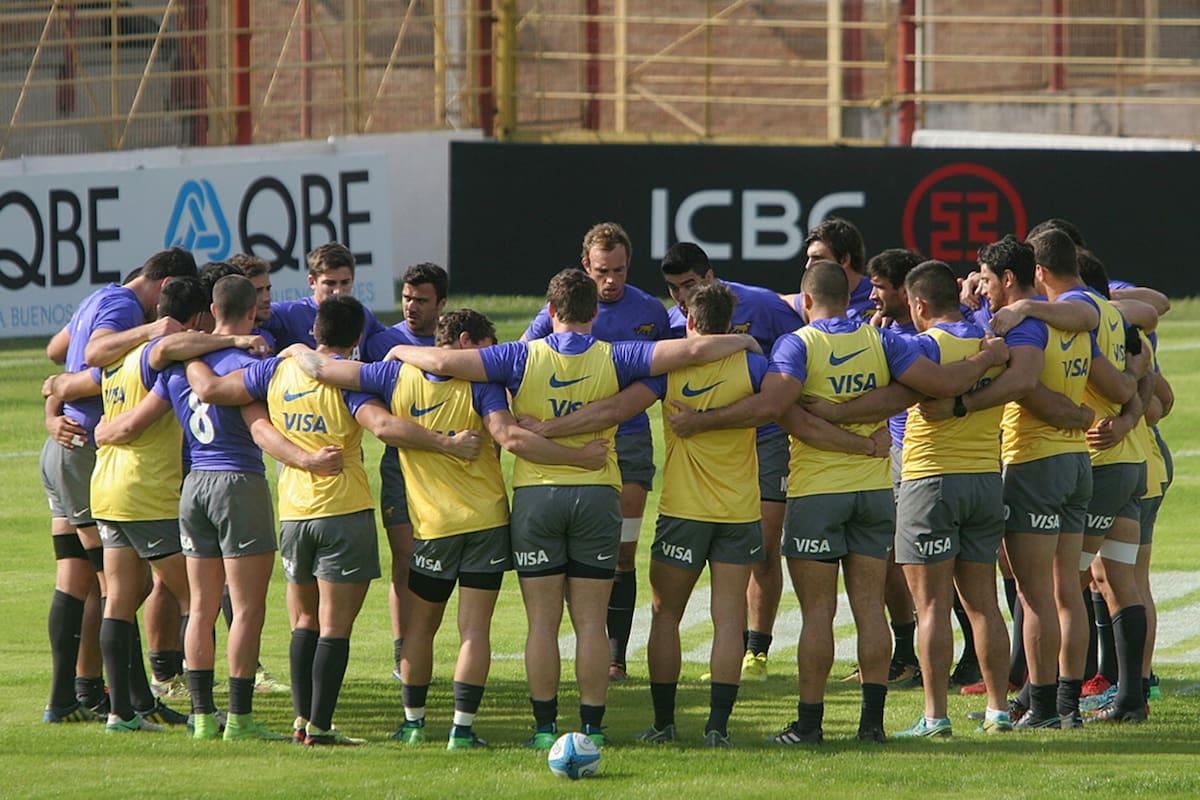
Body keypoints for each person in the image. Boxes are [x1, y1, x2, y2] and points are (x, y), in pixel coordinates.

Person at [384, 267, 761, 748]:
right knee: (589, 621)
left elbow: (447, 361)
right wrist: (743, 345)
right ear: (594, 313)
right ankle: (592, 728)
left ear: (552, 311)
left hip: (537, 497)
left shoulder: (518, 356)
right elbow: (690, 349)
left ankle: (544, 730)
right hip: (598, 493)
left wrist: (398, 349)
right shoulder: (618, 355)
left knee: (543, 622)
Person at [667, 261, 1007, 744]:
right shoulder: (883, 341)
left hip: (817, 493)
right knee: (870, 608)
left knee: (818, 614)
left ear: (806, 302)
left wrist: (703, 422)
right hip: (871, 493)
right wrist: (983, 359)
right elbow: (931, 387)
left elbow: (773, 407)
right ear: (844, 298)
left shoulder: (797, 345)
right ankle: (871, 725)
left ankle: (810, 725)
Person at [289, 307, 608, 749]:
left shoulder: (390, 377)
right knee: (474, 630)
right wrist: (577, 455)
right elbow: (510, 438)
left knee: (420, 630)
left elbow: (323, 370)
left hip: (432, 526)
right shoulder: (484, 385)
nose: (488, 357)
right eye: (484, 348)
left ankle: (415, 724)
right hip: (487, 523)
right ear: (463, 341)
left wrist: (294, 349)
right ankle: (461, 730)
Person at [185, 294, 481, 746]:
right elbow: (383, 428)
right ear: (358, 338)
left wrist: (192, 350)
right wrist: (446, 443)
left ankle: (301, 721)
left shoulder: (276, 370)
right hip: (343, 511)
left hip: (293, 514)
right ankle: (321, 727)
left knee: (304, 620)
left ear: (314, 333)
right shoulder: (350, 381)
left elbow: (221, 396)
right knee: (334, 626)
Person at [101, 274, 337, 739]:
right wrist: (306, 459)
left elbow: (139, 415)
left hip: (194, 486)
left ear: (212, 308)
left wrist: (104, 431)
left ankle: (204, 717)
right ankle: (241, 718)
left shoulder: (180, 363)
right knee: (246, 609)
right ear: (252, 313)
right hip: (238, 483)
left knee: (202, 606)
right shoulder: (247, 361)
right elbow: (261, 432)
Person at [40, 246, 196, 723]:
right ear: (166, 285)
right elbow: (95, 353)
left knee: (80, 577)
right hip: (87, 448)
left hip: (66, 445)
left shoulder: (99, 297)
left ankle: (75, 697)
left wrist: (60, 393)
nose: (159, 316)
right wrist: (151, 333)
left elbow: (56, 352)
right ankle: (127, 704)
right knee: (119, 586)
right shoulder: (128, 308)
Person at [521, 223, 671, 683]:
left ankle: (614, 656)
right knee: (567, 557)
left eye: (619, 270)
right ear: (586, 265)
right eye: (602, 271)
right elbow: (524, 359)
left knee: (621, 554)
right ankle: (571, 644)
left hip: (627, 441)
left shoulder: (649, 311)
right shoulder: (560, 310)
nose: (611, 280)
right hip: (564, 445)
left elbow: (663, 370)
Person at [959, 234, 1097, 728]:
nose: (985, 288)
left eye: (989, 280)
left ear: (1009, 279)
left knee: (1034, 594)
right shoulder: (1069, 315)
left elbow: (1021, 384)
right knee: (1066, 593)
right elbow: (1092, 323)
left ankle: (1041, 708)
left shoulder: (1026, 326)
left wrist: (965, 403)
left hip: (1035, 461)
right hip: (1076, 463)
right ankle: (1067, 705)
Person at [660, 242, 801, 683]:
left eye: (688, 285)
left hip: (768, 438)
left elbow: (799, 350)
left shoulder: (761, 303)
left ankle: (756, 651)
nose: (681, 296)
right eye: (672, 288)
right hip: (708, 453)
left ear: (710, 275)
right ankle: (734, 644)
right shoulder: (671, 321)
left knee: (763, 545)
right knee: (728, 547)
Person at [883, 262, 1012, 736]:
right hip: (983, 478)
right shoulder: (986, 340)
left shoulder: (920, 347)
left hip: (930, 481)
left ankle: (935, 715)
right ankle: (999, 710)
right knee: (984, 604)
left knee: (932, 607)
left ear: (917, 305)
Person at [87, 276, 207, 733]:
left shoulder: (115, 356)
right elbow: (166, 350)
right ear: (194, 319)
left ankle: (120, 713)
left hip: (108, 487)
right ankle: (203, 708)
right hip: (147, 493)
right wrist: (235, 337)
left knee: (118, 599)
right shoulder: (155, 355)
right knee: (197, 597)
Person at [360, 262, 450, 681]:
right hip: (400, 463)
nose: (412, 307)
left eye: (422, 300)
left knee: (442, 562)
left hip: (448, 468)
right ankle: (404, 653)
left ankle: (424, 644)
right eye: (407, 298)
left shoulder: (454, 341)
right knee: (405, 560)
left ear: (442, 304)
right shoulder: (382, 341)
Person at [259, 242, 387, 354]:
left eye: (345, 282)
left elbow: (394, 339)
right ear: (312, 282)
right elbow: (245, 319)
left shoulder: (362, 315)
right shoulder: (290, 314)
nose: (338, 291)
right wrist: (241, 340)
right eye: (330, 283)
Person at [780, 217, 873, 323]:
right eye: (809, 258)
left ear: (844, 260)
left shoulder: (879, 297)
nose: (808, 266)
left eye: (818, 258)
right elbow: (785, 300)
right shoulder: (813, 298)